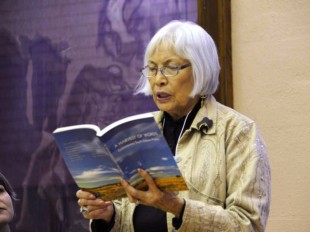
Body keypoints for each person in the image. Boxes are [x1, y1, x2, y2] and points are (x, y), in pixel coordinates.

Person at [76, 20, 271, 232]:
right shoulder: (138, 132)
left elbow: (248, 225)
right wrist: (109, 214)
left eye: (170, 68)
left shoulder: (237, 132)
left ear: (200, 69)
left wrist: (177, 208)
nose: (158, 79)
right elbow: (129, 217)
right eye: (152, 69)